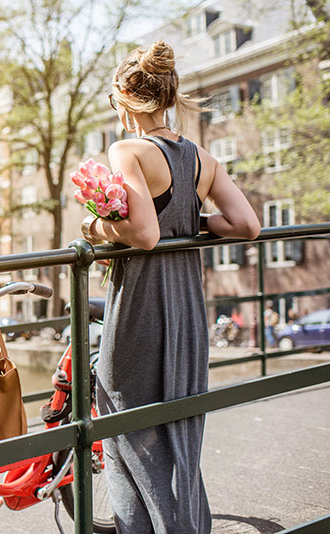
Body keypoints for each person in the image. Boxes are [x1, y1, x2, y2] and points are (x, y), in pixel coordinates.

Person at [80, 41, 261, 533]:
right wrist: (194, 225)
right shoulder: (202, 158)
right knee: (178, 428)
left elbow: (143, 234)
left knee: (122, 428)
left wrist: (95, 228)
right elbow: (248, 225)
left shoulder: (128, 149)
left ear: (123, 101)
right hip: (187, 309)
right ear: (169, 98)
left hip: (141, 307)